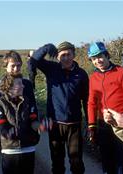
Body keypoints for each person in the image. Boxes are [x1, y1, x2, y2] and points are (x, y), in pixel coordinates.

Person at [30, 41, 89, 174]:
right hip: (55, 124)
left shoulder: (82, 74)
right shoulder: (52, 69)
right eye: (62, 55)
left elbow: (86, 100)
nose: (66, 58)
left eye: (69, 54)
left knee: (77, 162)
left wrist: (90, 123)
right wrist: (46, 47)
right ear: (57, 57)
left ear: (74, 54)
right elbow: (34, 60)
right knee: (57, 161)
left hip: (74, 124)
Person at [87, 42, 123, 174]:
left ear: (107, 55)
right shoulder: (93, 78)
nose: (98, 61)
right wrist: (92, 126)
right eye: (94, 58)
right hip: (104, 125)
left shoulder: (121, 72)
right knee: (107, 161)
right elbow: (91, 102)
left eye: (100, 56)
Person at [0, 73, 45, 174]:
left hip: (28, 149)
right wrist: (9, 133)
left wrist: (41, 126)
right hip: (10, 152)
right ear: (10, 86)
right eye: (19, 84)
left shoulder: (28, 101)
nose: (23, 86)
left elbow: (33, 122)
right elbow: (2, 128)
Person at [0, 50, 37, 149]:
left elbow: (34, 108)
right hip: (8, 141)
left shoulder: (26, 85)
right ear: (6, 67)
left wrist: (36, 132)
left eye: (18, 65)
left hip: (27, 138)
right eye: (12, 66)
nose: (16, 69)